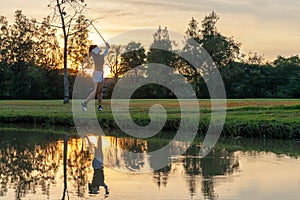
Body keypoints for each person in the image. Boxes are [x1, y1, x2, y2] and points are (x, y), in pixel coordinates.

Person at [82, 43, 110, 112]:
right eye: (97, 48)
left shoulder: (100, 55)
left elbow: (105, 53)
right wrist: (107, 47)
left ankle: (100, 106)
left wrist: (107, 47)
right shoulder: (95, 55)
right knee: (96, 91)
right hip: (97, 74)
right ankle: (85, 103)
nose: (99, 48)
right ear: (95, 50)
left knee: (100, 91)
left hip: (100, 74)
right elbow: (103, 53)